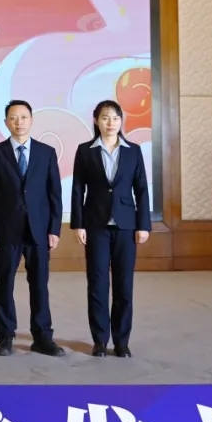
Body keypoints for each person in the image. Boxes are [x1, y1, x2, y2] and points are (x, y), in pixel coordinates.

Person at [0, 100, 64, 357]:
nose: (19, 122)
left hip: (39, 230)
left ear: (31, 120)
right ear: (6, 122)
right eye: (13, 118)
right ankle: (5, 336)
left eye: (24, 117)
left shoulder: (46, 153)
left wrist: (54, 229)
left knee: (39, 285)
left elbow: (54, 194)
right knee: (4, 283)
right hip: (6, 230)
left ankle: (43, 337)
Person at [70, 100, 151, 358]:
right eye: (105, 117)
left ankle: (121, 341)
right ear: (96, 120)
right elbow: (77, 189)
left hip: (126, 226)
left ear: (121, 121)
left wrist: (143, 225)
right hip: (95, 225)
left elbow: (141, 189)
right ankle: (100, 340)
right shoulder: (85, 151)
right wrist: (78, 224)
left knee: (124, 285)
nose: (111, 123)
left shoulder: (133, 151)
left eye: (115, 118)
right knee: (97, 284)